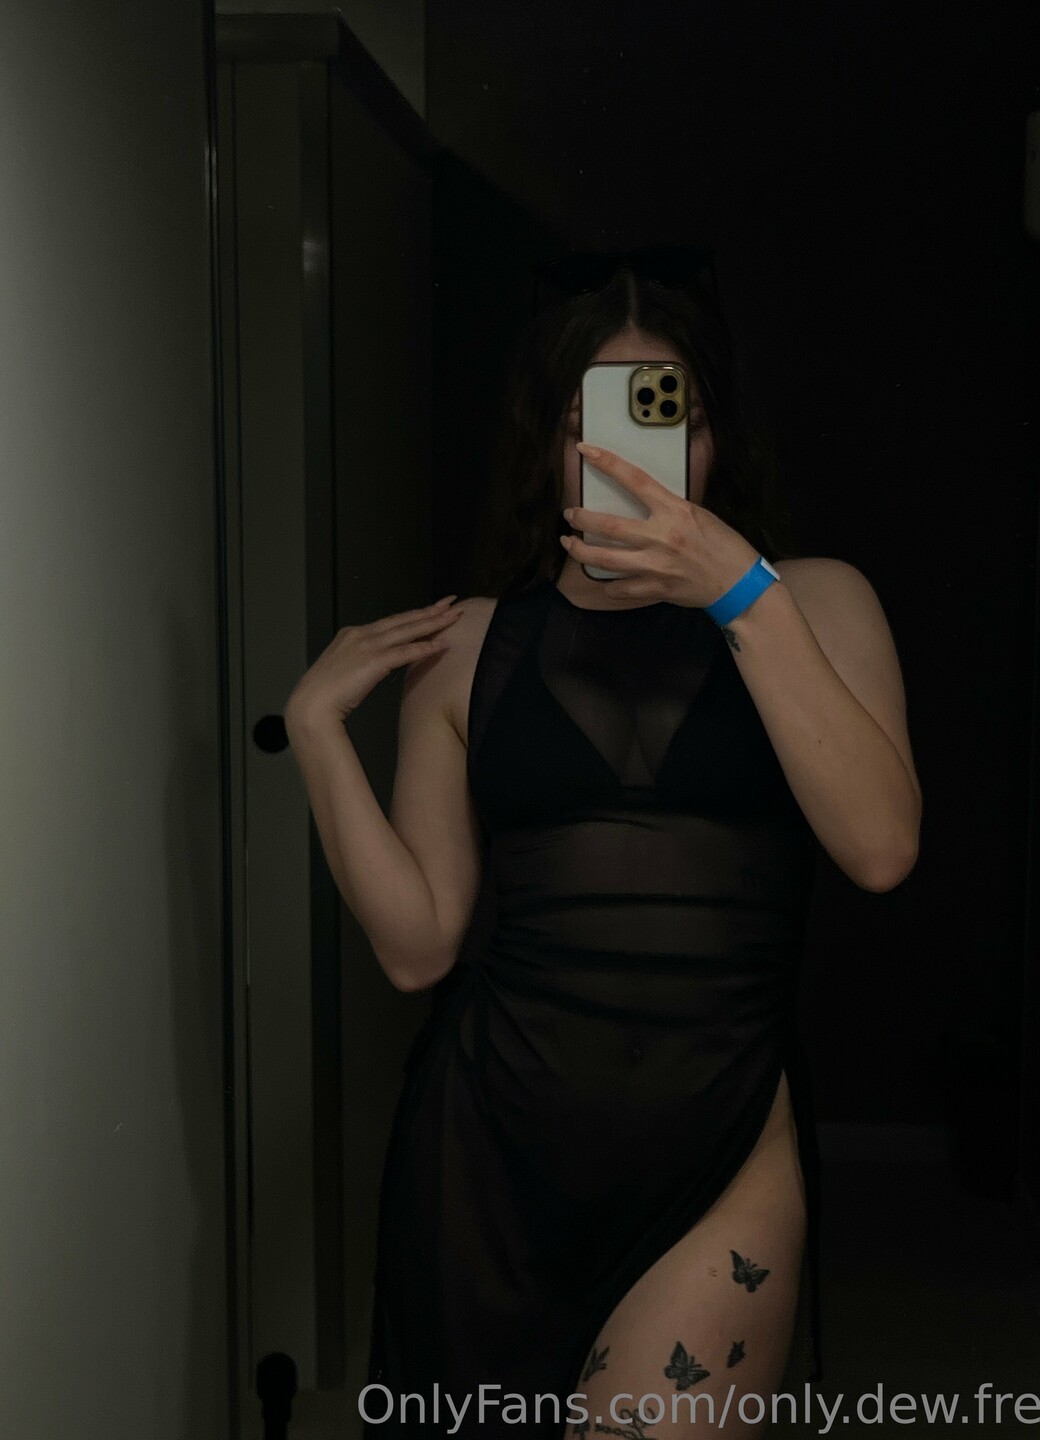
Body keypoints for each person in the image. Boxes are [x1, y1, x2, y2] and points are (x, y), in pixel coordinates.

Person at [284, 248, 923, 1439]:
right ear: (552, 444)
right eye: (594, 423)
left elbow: (882, 846)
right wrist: (319, 735)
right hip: (486, 1172)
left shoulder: (816, 604)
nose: (626, 454)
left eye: (666, 414)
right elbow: (418, 948)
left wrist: (737, 588)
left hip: (721, 1166)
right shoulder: (468, 646)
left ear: (715, 438)